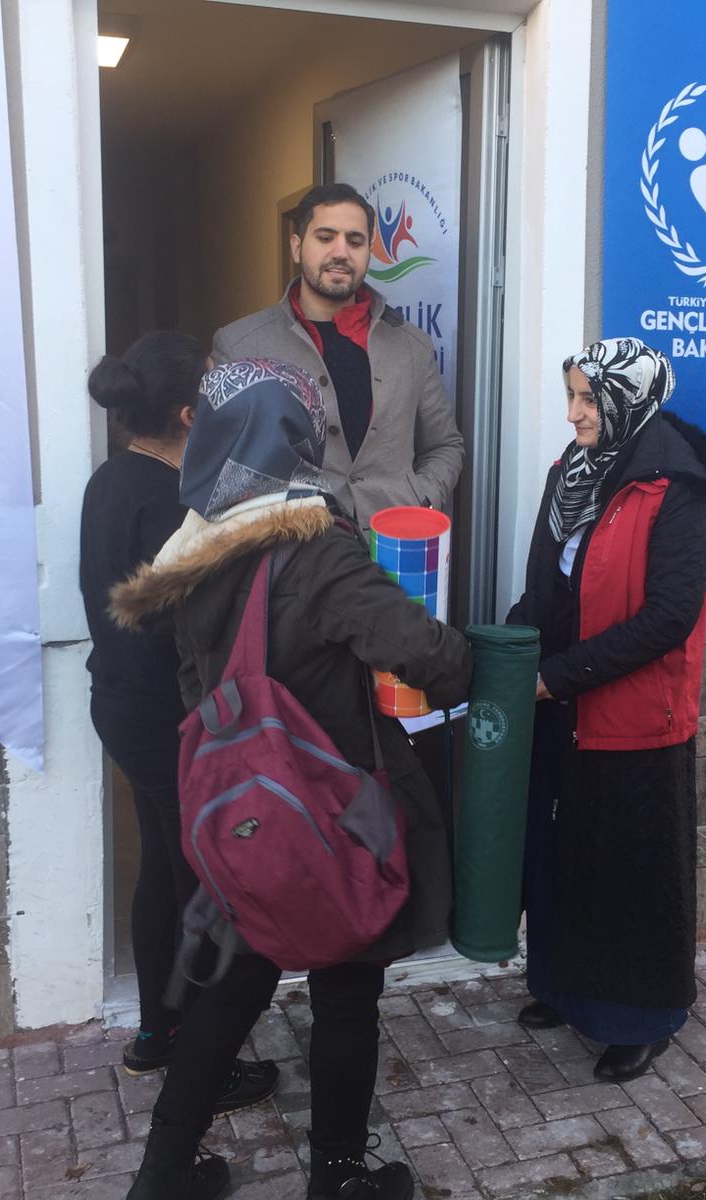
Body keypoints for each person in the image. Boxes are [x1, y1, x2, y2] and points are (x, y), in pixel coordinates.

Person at [109, 357, 473, 1200]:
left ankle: (163, 1175)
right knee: (347, 988)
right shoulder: (315, 552)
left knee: (233, 987)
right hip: (337, 814)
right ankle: (338, 1177)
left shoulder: (194, 550)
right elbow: (422, 653)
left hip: (242, 815)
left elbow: (199, 690)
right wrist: (469, 661)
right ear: (294, 439)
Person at [507, 337, 706, 1083]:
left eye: (588, 398)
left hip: (634, 714)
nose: (574, 413)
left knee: (633, 868)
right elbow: (546, 588)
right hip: (562, 700)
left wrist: (559, 677)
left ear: (625, 400)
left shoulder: (679, 486)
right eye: (571, 397)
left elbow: (670, 616)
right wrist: (509, 651)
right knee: (564, 851)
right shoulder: (570, 473)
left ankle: (642, 1018)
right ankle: (563, 985)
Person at [78, 332, 280, 1110]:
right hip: (166, 716)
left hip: (124, 707)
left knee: (165, 866)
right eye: (213, 388)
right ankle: (204, 1061)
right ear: (191, 414)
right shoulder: (170, 501)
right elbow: (193, 629)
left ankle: (157, 1035)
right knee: (202, 881)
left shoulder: (110, 479)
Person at [210, 183, 464, 526]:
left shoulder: (412, 346)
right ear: (297, 247)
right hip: (297, 548)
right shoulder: (240, 345)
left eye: (355, 241)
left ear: (369, 252)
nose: (341, 252)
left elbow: (445, 445)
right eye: (326, 237)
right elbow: (220, 464)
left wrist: (421, 499)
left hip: (393, 542)